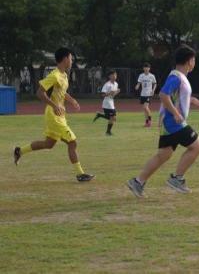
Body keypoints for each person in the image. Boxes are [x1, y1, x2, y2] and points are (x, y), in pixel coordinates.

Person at [126, 45, 199, 198]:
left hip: (169, 124)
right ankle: (177, 179)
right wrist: (175, 113)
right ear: (189, 61)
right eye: (194, 59)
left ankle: (138, 182)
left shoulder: (179, 77)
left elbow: (175, 96)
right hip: (174, 123)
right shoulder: (176, 77)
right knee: (197, 146)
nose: (194, 62)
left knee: (163, 155)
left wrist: (191, 100)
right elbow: (163, 94)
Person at [13, 48, 94, 182]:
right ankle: (80, 174)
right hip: (54, 115)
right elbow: (40, 93)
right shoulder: (54, 75)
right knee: (72, 142)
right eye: (71, 58)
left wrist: (72, 100)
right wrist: (54, 105)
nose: (72, 61)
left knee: (49, 144)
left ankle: (20, 151)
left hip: (59, 114)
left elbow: (62, 92)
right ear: (65, 59)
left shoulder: (64, 75)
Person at [93, 70, 119, 135]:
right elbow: (102, 95)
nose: (114, 76)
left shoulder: (116, 84)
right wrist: (110, 93)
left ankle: (100, 115)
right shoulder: (107, 84)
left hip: (111, 103)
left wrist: (116, 92)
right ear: (109, 76)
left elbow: (113, 95)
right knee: (112, 118)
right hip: (107, 103)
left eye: (115, 75)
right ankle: (108, 132)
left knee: (113, 118)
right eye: (113, 75)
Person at [135, 62, 158, 127]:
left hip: (149, 94)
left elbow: (155, 84)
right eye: (145, 67)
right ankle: (146, 122)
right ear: (143, 68)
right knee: (144, 109)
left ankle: (150, 121)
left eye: (147, 67)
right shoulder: (141, 75)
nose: (146, 69)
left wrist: (153, 90)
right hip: (143, 94)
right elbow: (139, 83)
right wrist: (137, 86)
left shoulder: (152, 76)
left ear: (149, 68)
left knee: (146, 107)